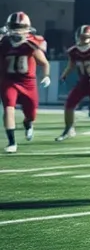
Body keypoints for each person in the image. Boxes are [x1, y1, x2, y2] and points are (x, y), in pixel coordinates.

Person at [1, 12, 50, 152]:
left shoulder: (32, 43)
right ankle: (12, 143)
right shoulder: (3, 42)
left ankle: (28, 124)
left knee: (31, 114)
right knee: (8, 109)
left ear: (27, 27)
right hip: (8, 80)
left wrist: (46, 75)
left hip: (28, 83)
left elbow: (44, 63)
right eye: (14, 26)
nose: (17, 30)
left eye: (20, 26)